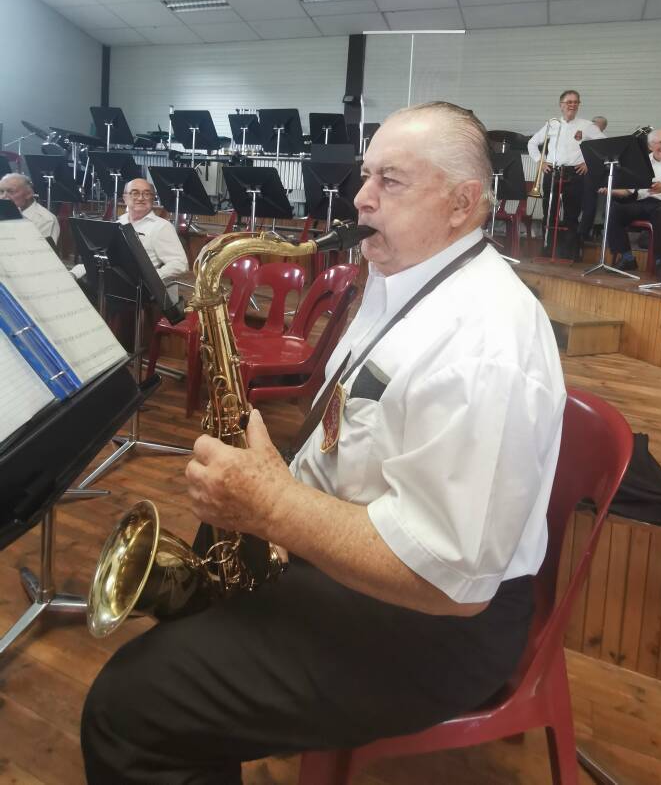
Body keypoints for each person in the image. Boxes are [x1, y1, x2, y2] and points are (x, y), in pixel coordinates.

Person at [81, 102, 566, 785]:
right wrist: (274, 484)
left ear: (462, 204)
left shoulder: (485, 344)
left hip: (437, 625)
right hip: (363, 561)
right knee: (189, 622)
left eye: (391, 181)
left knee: (128, 710)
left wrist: (275, 507)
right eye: (366, 176)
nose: (361, 197)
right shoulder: (403, 279)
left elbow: (450, 580)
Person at [72, 177, 188, 292]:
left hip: (137, 292)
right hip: (107, 283)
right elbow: (99, 258)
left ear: (153, 198)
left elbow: (179, 264)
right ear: (125, 198)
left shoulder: (162, 227)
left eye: (147, 194)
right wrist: (74, 273)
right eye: (135, 193)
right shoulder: (118, 223)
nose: (141, 198)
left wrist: (149, 280)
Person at [528, 90, 605, 259]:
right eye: (569, 102)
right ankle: (548, 250)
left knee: (572, 215)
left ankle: (570, 253)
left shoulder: (586, 125)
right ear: (561, 105)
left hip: (575, 173)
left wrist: (589, 163)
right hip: (552, 172)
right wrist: (540, 161)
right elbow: (532, 143)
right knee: (549, 213)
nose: (573, 105)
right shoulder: (552, 124)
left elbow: (604, 145)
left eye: (576, 102)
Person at [605, 128, 661, 271]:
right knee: (615, 210)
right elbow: (629, 190)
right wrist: (609, 189)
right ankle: (627, 258)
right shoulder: (642, 162)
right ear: (650, 146)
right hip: (645, 202)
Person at [0, 173, 60, 243]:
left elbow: (40, 248)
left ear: (28, 193)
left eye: (11, 191)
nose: (3, 197)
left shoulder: (46, 220)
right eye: (1, 191)